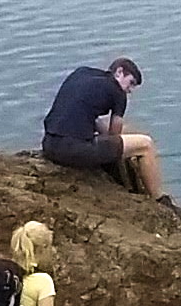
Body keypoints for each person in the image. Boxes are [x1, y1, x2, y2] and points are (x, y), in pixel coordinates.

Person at [39, 56, 168, 201]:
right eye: (130, 83)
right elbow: (114, 136)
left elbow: (82, 113)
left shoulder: (81, 73)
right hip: (72, 151)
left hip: (49, 145)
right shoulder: (118, 92)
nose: (130, 90)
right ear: (119, 72)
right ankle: (160, 200)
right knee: (146, 145)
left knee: (110, 135)